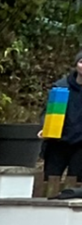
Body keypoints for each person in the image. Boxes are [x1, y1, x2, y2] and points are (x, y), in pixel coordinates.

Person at [41, 52, 82, 197]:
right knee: (50, 180)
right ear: (76, 64)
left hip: (80, 145)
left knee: (76, 183)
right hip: (58, 142)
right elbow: (48, 112)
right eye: (81, 62)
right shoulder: (61, 87)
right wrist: (44, 128)